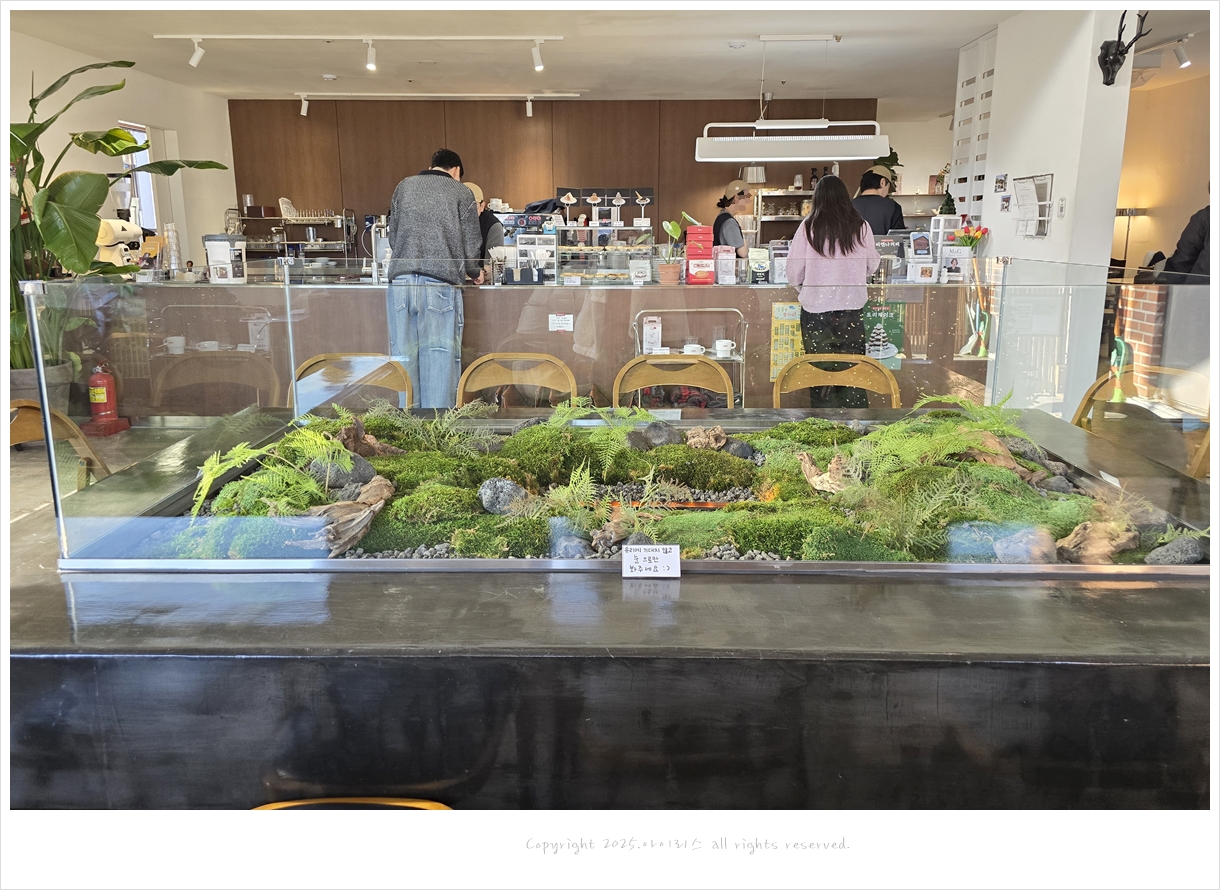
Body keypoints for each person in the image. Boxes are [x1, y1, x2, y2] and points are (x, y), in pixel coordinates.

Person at [386, 148, 484, 408]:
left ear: (432, 166)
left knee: (404, 357)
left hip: (401, 282)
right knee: (439, 358)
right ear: (456, 170)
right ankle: (436, 427)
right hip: (440, 283)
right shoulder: (461, 192)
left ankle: (409, 424)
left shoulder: (404, 187)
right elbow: (471, 244)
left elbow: (393, 236)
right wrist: (476, 272)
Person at [785, 174, 881, 408]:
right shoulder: (861, 226)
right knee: (853, 372)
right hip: (851, 311)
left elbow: (793, 271)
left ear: (817, 198)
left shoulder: (808, 227)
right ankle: (856, 423)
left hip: (816, 314)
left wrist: (805, 288)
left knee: (820, 373)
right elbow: (872, 265)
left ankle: (823, 422)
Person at [1160, 204, 1210, 283]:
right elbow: (1182, 260)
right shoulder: (1206, 217)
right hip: (1201, 287)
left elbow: (1183, 259)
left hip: (1201, 287)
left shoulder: (1205, 217)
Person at [852, 166, 905, 239]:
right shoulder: (893, 207)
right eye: (888, 187)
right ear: (882, 182)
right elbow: (899, 240)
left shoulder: (847, 206)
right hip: (883, 247)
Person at [462, 182, 505, 262]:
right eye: (461, 204)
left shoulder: (493, 226)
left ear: (482, 206)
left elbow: (492, 264)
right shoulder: (449, 221)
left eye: (472, 206)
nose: (466, 210)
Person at [713, 179, 752, 258]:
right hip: (727, 264)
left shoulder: (722, 216)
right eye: (746, 197)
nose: (748, 201)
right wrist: (745, 242)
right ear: (736, 197)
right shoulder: (729, 222)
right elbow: (743, 253)